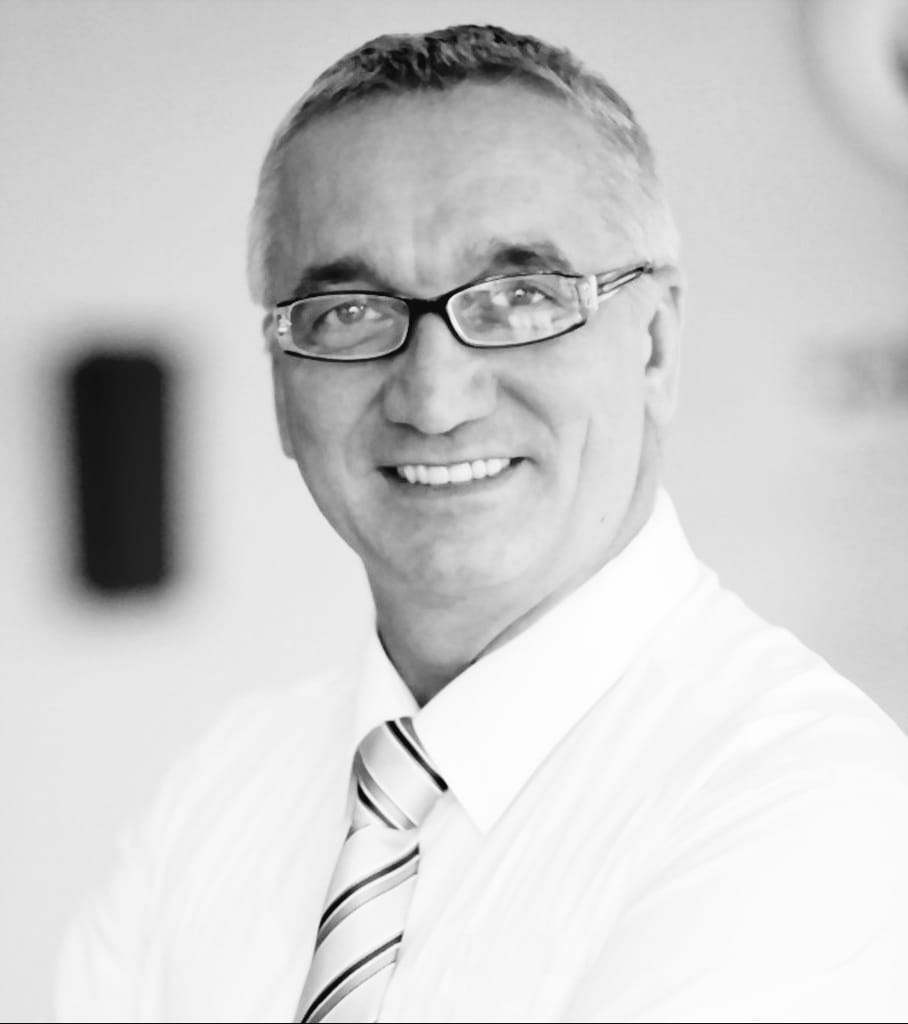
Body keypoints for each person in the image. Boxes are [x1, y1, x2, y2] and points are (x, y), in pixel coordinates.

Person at [56, 23, 908, 1024]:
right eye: (348, 312)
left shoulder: (804, 803)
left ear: (654, 347)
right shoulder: (217, 794)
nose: (433, 396)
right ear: (281, 384)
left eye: (519, 297)